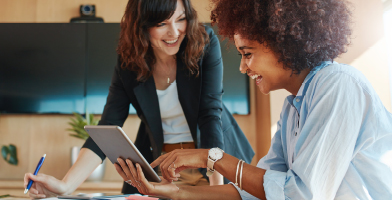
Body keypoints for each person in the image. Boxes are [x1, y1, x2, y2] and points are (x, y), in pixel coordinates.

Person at [115, 0, 392, 199]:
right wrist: (174, 193)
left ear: (284, 42)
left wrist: (210, 157)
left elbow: (299, 195)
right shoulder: (293, 107)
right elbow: (258, 191)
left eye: (248, 53)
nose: (243, 67)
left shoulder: (337, 84)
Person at [23, 0, 254, 198]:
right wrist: (65, 186)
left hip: (213, 163)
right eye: (162, 23)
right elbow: (107, 127)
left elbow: (210, 115)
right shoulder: (129, 61)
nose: (174, 32)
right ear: (142, 26)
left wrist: (217, 192)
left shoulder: (204, 43)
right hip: (163, 169)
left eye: (181, 19)